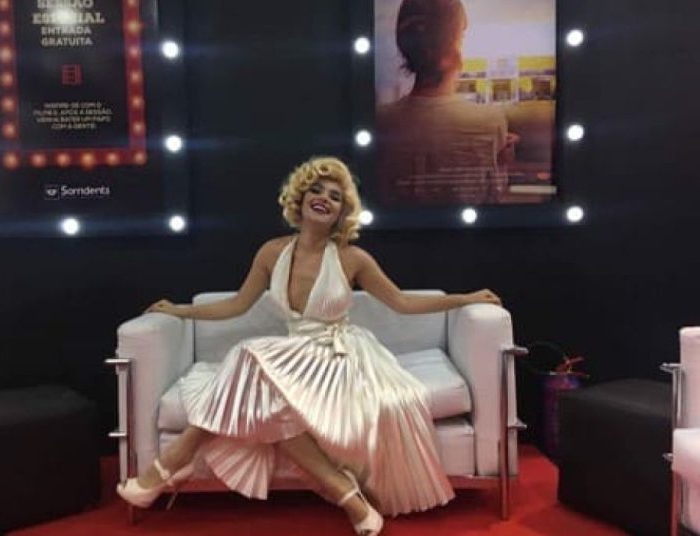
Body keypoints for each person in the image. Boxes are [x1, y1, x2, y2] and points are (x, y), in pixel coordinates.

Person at [117, 156, 501, 535]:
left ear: (341, 213)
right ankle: (348, 496)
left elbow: (401, 302)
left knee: (249, 357)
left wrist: (463, 299)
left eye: (335, 196)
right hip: (297, 354)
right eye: (316, 190)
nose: (324, 199)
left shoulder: (352, 258)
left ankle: (172, 462)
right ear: (299, 199)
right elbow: (236, 305)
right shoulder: (271, 252)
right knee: (259, 377)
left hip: (341, 355)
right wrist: (180, 311)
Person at [376, 0, 518, 205]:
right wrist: (500, 164)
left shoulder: (379, 120)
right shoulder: (491, 120)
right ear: (453, 49)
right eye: (462, 36)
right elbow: (491, 197)